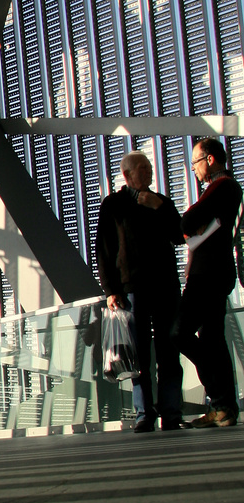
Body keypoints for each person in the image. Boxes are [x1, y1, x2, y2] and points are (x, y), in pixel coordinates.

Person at [96, 151, 183, 432]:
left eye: (149, 168)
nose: (148, 173)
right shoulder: (114, 206)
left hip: (165, 286)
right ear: (127, 174)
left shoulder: (160, 202)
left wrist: (160, 206)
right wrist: (111, 290)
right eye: (142, 169)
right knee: (139, 354)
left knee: (169, 351)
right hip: (133, 288)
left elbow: (179, 235)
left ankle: (171, 412)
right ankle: (145, 413)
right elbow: (104, 251)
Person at [177, 137, 243, 428]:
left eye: (195, 162)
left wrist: (191, 222)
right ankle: (223, 407)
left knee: (176, 332)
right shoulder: (224, 188)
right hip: (217, 273)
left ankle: (220, 399)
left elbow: (187, 223)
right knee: (213, 340)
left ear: (210, 160)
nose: (194, 169)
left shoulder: (222, 187)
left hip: (208, 275)